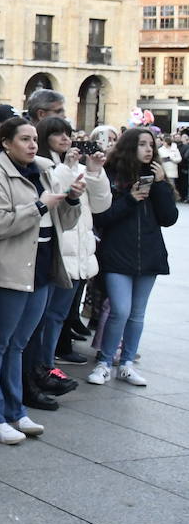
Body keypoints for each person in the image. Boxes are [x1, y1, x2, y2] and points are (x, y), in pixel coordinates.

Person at [0, 117, 82, 445]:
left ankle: (15, 408)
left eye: (34, 138)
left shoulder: (45, 170)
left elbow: (67, 219)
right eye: (24, 139)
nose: (33, 144)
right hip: (10, 271)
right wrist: (39, 205)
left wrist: (73, 198)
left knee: (19, 345)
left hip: (43, 267)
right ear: (6, 143)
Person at [89, 127, 177, 387]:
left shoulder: (156, 176)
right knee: (120, 310)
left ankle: (126, 363)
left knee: (137, 314)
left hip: (149, 254)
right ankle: (105, 362)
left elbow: (169, 218)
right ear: (130, 146)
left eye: (151, 144)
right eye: (142, 144)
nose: (149, 149)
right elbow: (102, 218)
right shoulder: (112, 176)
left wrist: (160, 186)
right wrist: (130, 199)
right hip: (118, 253)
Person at [30, 118, 108, 389]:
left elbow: (100, 205)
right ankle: (42, 365)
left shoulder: (75, 166)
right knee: (46, 314)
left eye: (68, 134)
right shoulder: (46, 165)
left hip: (80, 249)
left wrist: (95, 171)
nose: (65, 139)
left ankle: (47, 363)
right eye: (57, 134)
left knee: (59, 314)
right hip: (57, 249)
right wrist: (68, 168)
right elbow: (58, 197)